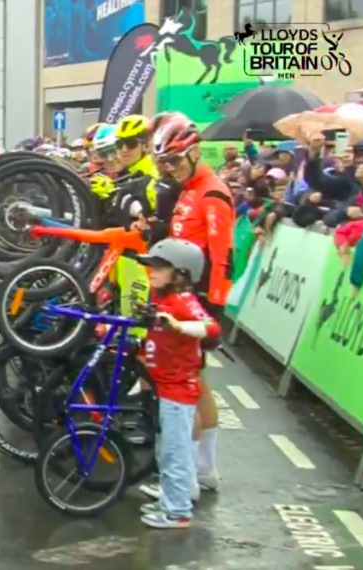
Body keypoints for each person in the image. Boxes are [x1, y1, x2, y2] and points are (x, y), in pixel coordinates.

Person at [141, 115, 234, 503]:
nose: (171, 169)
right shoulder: (189, 188)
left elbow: (222, 256)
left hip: (195, 304)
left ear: (195, 152)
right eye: (165, 163)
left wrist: (209, 312)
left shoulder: (212, 192)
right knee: (197, 387)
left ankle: (187, 480)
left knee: (182, 389)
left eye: (176, 161)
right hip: (179, 299)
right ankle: (204, 468)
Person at [137, 239, 222, 529]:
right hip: (165, 389)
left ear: (180, 274)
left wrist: (178, 325)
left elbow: (212, 328)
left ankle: (178, 512)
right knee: (165, 451)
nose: (152, 272)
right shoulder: (162, 301)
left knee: (175, 453)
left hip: (178, 392)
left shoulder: (183, 302)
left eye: (160, 268)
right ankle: (170, 502)